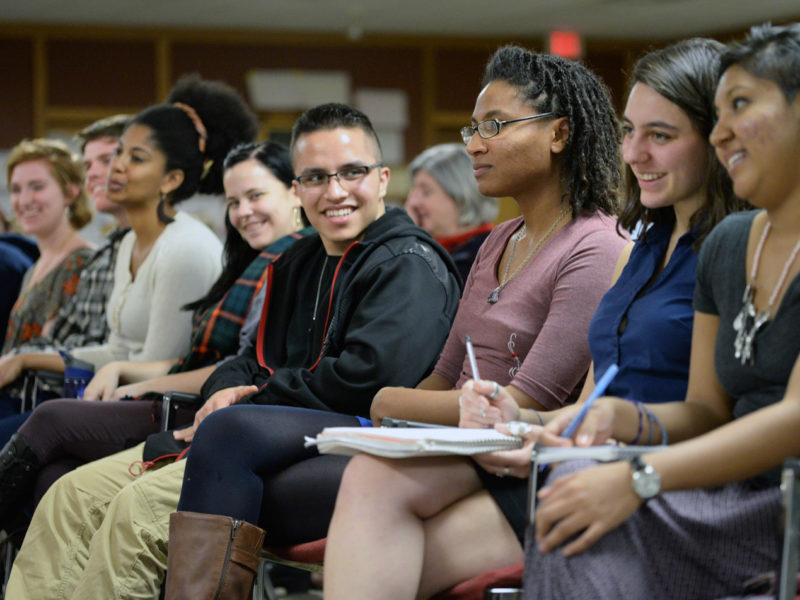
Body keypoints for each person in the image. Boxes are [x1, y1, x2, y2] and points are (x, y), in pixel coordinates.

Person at [167, 46, 627, 600]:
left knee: (255, 457)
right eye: (473, 127)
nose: (475, 144)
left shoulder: (595, 245)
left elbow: (524, 403)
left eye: (496, 126)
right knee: (248, 457)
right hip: (444, 443)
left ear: (559, 134)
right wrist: (401, 404)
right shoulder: (502, 240)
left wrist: (394, 402)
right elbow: (442, 378)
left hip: (505, 463)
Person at [321, 38, 748, 600]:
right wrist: (546, 426)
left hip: (634, 472)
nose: (635, 153)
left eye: (660, 135)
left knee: (385, 545)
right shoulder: (647, 246)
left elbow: (694, 411)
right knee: (371, 489)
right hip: (576, 454)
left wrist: (560, 428)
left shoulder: (676, 246)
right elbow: (593, 398)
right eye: (629, 133)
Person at [5, 103, 461, 600]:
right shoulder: (296, 260)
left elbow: (366, 380)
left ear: (381, 178)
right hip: (243, 429)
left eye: (352, 172)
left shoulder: (407, 263)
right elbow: (247, 359)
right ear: (298, 188)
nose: (334, 192)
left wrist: (248, 398)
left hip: (324, 441)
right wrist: (226, 392)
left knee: (133, 514)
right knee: (68, 498)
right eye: (315, 177)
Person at [0, 141, 311, 534]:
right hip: (189, 398)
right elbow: (198, 359)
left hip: (204, 412)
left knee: (51, 418)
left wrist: (142, 383)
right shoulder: (250, 263)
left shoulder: (292, 262)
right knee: (54, 477)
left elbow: (239, 368)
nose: (243, 212)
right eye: (233, 202)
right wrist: (121, 368)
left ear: (294, 191)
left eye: (255, 196)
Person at [0, 140, 95, 424]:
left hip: (41, 410)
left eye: (37, 187)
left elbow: (89, 354)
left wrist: (21, 360)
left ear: (70, 192)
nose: (24, 200)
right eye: (16, 189)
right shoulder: (35, 266)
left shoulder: (85, 261)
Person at [405, 142, 497, 280]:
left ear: (462, 197)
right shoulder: (427, 249)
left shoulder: (492, 252)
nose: (413, 203)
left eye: (426, 192)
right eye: (414, 192)